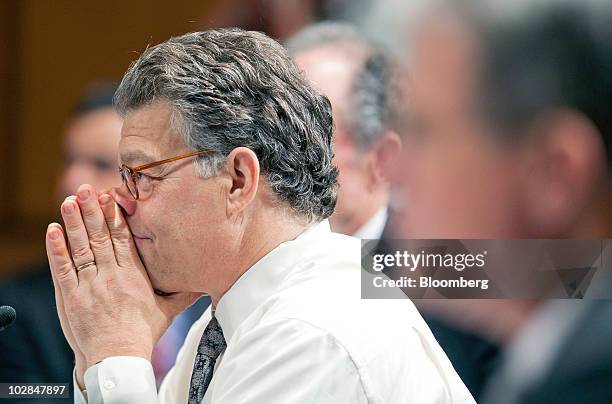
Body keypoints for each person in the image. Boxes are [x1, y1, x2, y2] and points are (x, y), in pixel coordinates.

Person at [45, 28, 475, 403]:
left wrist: (118, 352)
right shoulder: (224, 325)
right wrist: (94, 358)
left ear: (236, 179)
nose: (121, 201)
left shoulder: (311, 334)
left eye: (144, 174)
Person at [364, 0, 612, 402]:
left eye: (422, 132)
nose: (392, 173)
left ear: (556, 172)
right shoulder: (545, 357)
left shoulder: (591, 379)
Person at [289, 22, 499, 398]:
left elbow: (577, 281)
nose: (273, 153)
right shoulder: (251, 266)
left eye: (305, 130)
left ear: (382, 158)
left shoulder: (455, 262)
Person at [0, 86, 206, 402]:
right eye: (69, 160)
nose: (74, 180)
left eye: (102, 164)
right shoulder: (13, 309)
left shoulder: (214, 295)